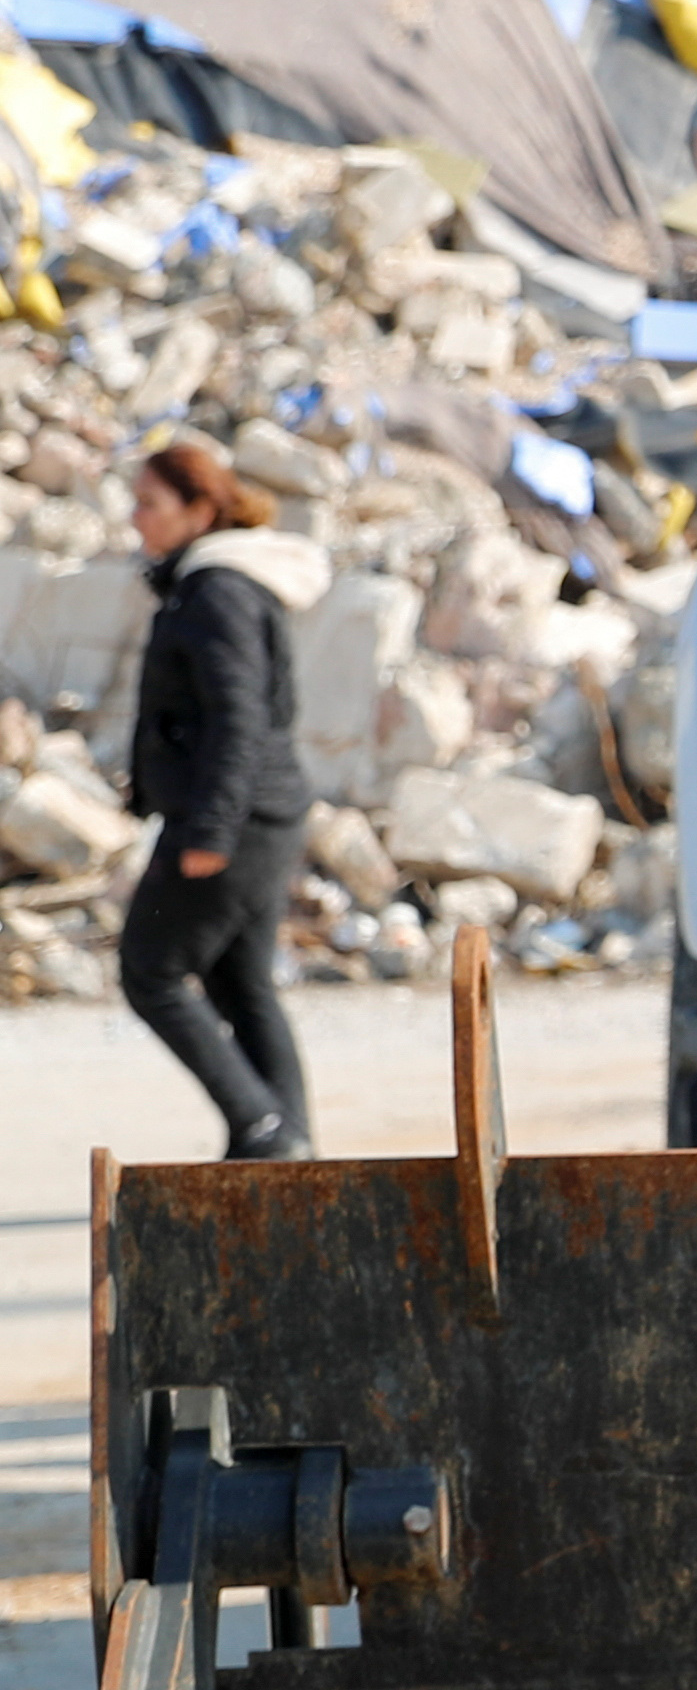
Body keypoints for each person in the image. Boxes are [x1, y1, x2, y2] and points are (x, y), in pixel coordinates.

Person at [120, 433, 330, 1160]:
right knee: (240, 983)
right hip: (259, 814)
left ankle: (263, 1130)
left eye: (150, 502)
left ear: (199, 508)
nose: (135, 517)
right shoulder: (212, 582)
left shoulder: (219, 590)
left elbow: (239, 717)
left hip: (235, 819)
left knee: (150, 968)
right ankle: (287, 1150)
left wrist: (209, 830)